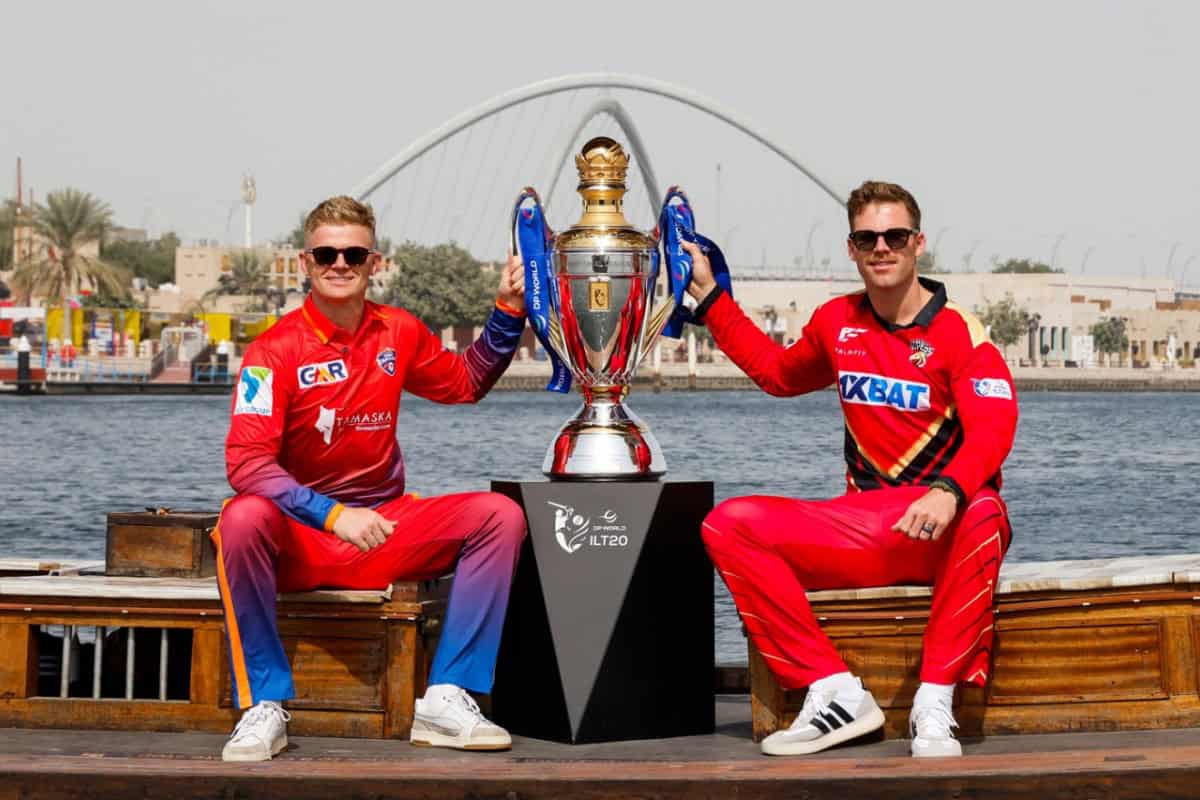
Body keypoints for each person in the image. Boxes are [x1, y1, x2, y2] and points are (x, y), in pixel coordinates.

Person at [682, 181, 1018, 758]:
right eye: (868, 237)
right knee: (727, 524)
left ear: (918, 243)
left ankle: (934, 705)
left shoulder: (961, 331)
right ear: (852, 248)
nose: (881, 247)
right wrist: (713, 299)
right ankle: (834, 691)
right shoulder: (836, 322)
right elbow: (779, 374)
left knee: (985, 508)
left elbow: (995, 429)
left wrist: (947, 491)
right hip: (864, 526)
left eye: (894, 236)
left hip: (940, 530)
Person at [215, 196, 528, 761]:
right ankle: (263, 706)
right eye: (327, 253)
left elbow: (464, 383)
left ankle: (446, 695)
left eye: (353, 253)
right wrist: (334, 515)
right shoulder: (271, 351)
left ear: (374, 262)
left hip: (381, 529)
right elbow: (247, 465)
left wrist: (506, 310)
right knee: (239, 518)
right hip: (303, 537)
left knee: (500, 516)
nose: (341, 263)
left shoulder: (399, 331)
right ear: (305, 263)